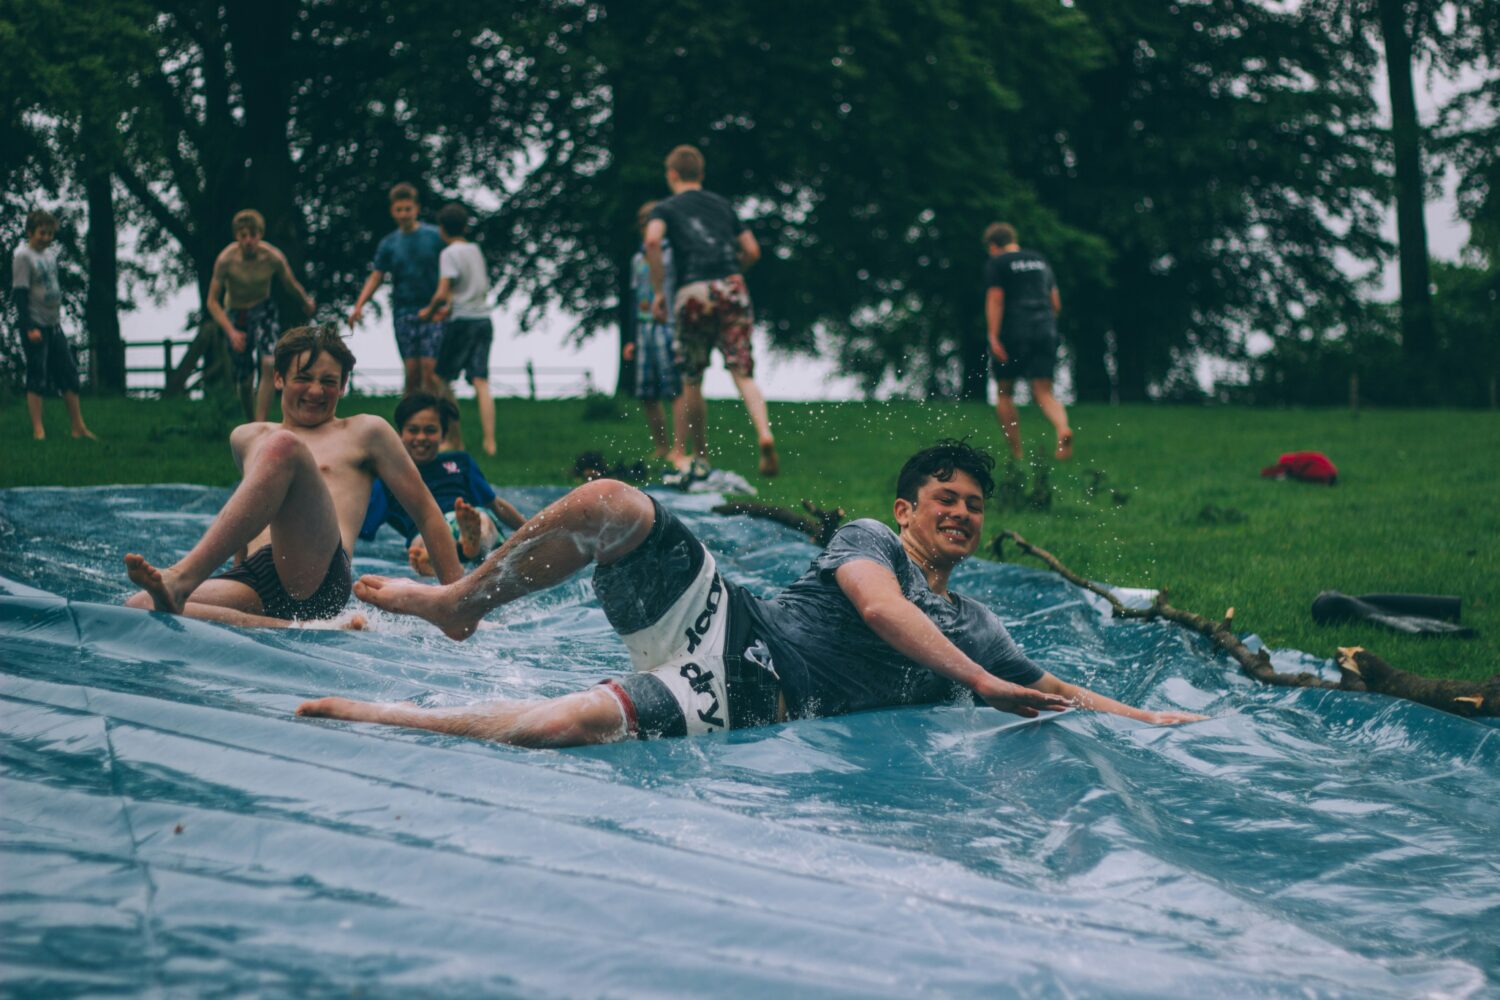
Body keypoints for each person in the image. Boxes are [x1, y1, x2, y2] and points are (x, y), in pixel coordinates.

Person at [298, 439, 1204, 745]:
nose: (962, 516)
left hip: (763, 693)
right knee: (615, 501)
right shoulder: (870, 540)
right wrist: (986, 684)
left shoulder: (977, 620)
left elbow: (1051, 687)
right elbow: (882, 611)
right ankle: (464, 600)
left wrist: (1144, 720)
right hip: (733, 623)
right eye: (946, 501)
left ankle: (387, 718)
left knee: (564, 728)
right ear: (907, 508)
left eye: (974, 507)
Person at [123, 325, 463, 628]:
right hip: (256, 576)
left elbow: (427, 513)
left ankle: (181, 578)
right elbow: (251, 511)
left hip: (318, 575)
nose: (316, 391)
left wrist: (457, 603)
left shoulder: (366, 432)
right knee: (139, 606)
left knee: (284, 446)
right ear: (279, 378)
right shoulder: (246, 437)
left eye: (328, 382)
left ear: (343, 385)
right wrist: (235, 569)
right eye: (303, 378)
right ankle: (292, 627)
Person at [644, 144, 779, 477]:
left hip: (692, 290)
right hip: (730, 285)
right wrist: (735, 274)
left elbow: (651, 241)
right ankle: (764, 434)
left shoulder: (666, 208)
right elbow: (751, 249)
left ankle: (701, 456)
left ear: (672, 174)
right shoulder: (722, 206)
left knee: (692, 377)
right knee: (743, 371)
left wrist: (661, 292)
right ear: (701, 174)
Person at [360, 392, 525, 577]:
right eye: (413, 430)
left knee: (483, 521)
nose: (421, 437)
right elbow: (361, 523)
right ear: (400, 435)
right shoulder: (389, 479)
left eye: (430, 430)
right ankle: (437, 557)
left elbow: (494, 504)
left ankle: (467, 546)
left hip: (465, 518)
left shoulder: (460, 462)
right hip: (425, 532)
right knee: (421, 541)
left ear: (443, 435)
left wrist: (528, 528)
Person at [205, 209, 317, 421]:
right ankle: (251, 422)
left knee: (267, 362)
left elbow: (289, 284)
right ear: (236, 236)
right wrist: (231, 332)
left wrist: (305, 301)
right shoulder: (226, 260)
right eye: (243, 236)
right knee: (245, 380)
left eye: (253, 235)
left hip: (263, 309)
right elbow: (212, 302)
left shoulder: (272, 257)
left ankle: (261, 422)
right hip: (236, 315)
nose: (248, 241)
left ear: (260, 235)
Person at [348, 182, 448, 401]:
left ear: (416, 208)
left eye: (408, 209)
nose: (404, 214)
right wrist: (359, 305)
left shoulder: (435, 237)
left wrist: (449, 302)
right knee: (412, 375)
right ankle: (407, 427)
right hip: (404, 311)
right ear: (392, 211)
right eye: (399, 210)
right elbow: (377, 275)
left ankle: (444, 424)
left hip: (434, 310)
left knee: (431, 373)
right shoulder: (389, 244)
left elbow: (451, 271)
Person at [984, 222, 1072, 461]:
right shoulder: (1039, 259)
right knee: (1044, 391)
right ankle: (1062, 428)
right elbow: (1056, 303)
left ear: (993, 246)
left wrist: (993, 335)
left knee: (1004, 392)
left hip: (1014, 329)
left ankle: (1017, 453)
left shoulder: (997, 263)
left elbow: (996, 299)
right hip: (1045, 328)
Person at [12, 209, 96, 442]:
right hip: (35, 324)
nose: (47, 238)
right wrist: (29, 327)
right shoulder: (23, 257)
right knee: (37, 375)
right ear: (30, 232)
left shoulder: (49, 255)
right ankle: (38, 430)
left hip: (53, 324)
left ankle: (78, 427)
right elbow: (19, 294)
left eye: (50, 234)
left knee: (68, 372)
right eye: (42, 233)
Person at [420, 202, 494, 455]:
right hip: (484, 319)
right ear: (465, 226)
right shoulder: (475, 250)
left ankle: (454, 439)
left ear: (442, 229)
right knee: (481, 381)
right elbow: (470, 288)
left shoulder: (449, 253)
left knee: (440, 378)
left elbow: (443, 292)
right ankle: (490, 443)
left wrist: (428, 313)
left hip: (462, 322)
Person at [626, 200, 692, 464]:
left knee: (675, 387)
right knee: (647, 391)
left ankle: (679, 447)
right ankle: (662, 446)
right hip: (643, 328)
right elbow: (634, 296)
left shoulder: (673, 254)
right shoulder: (637, 259)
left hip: (669, 325)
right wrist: (631, 337)